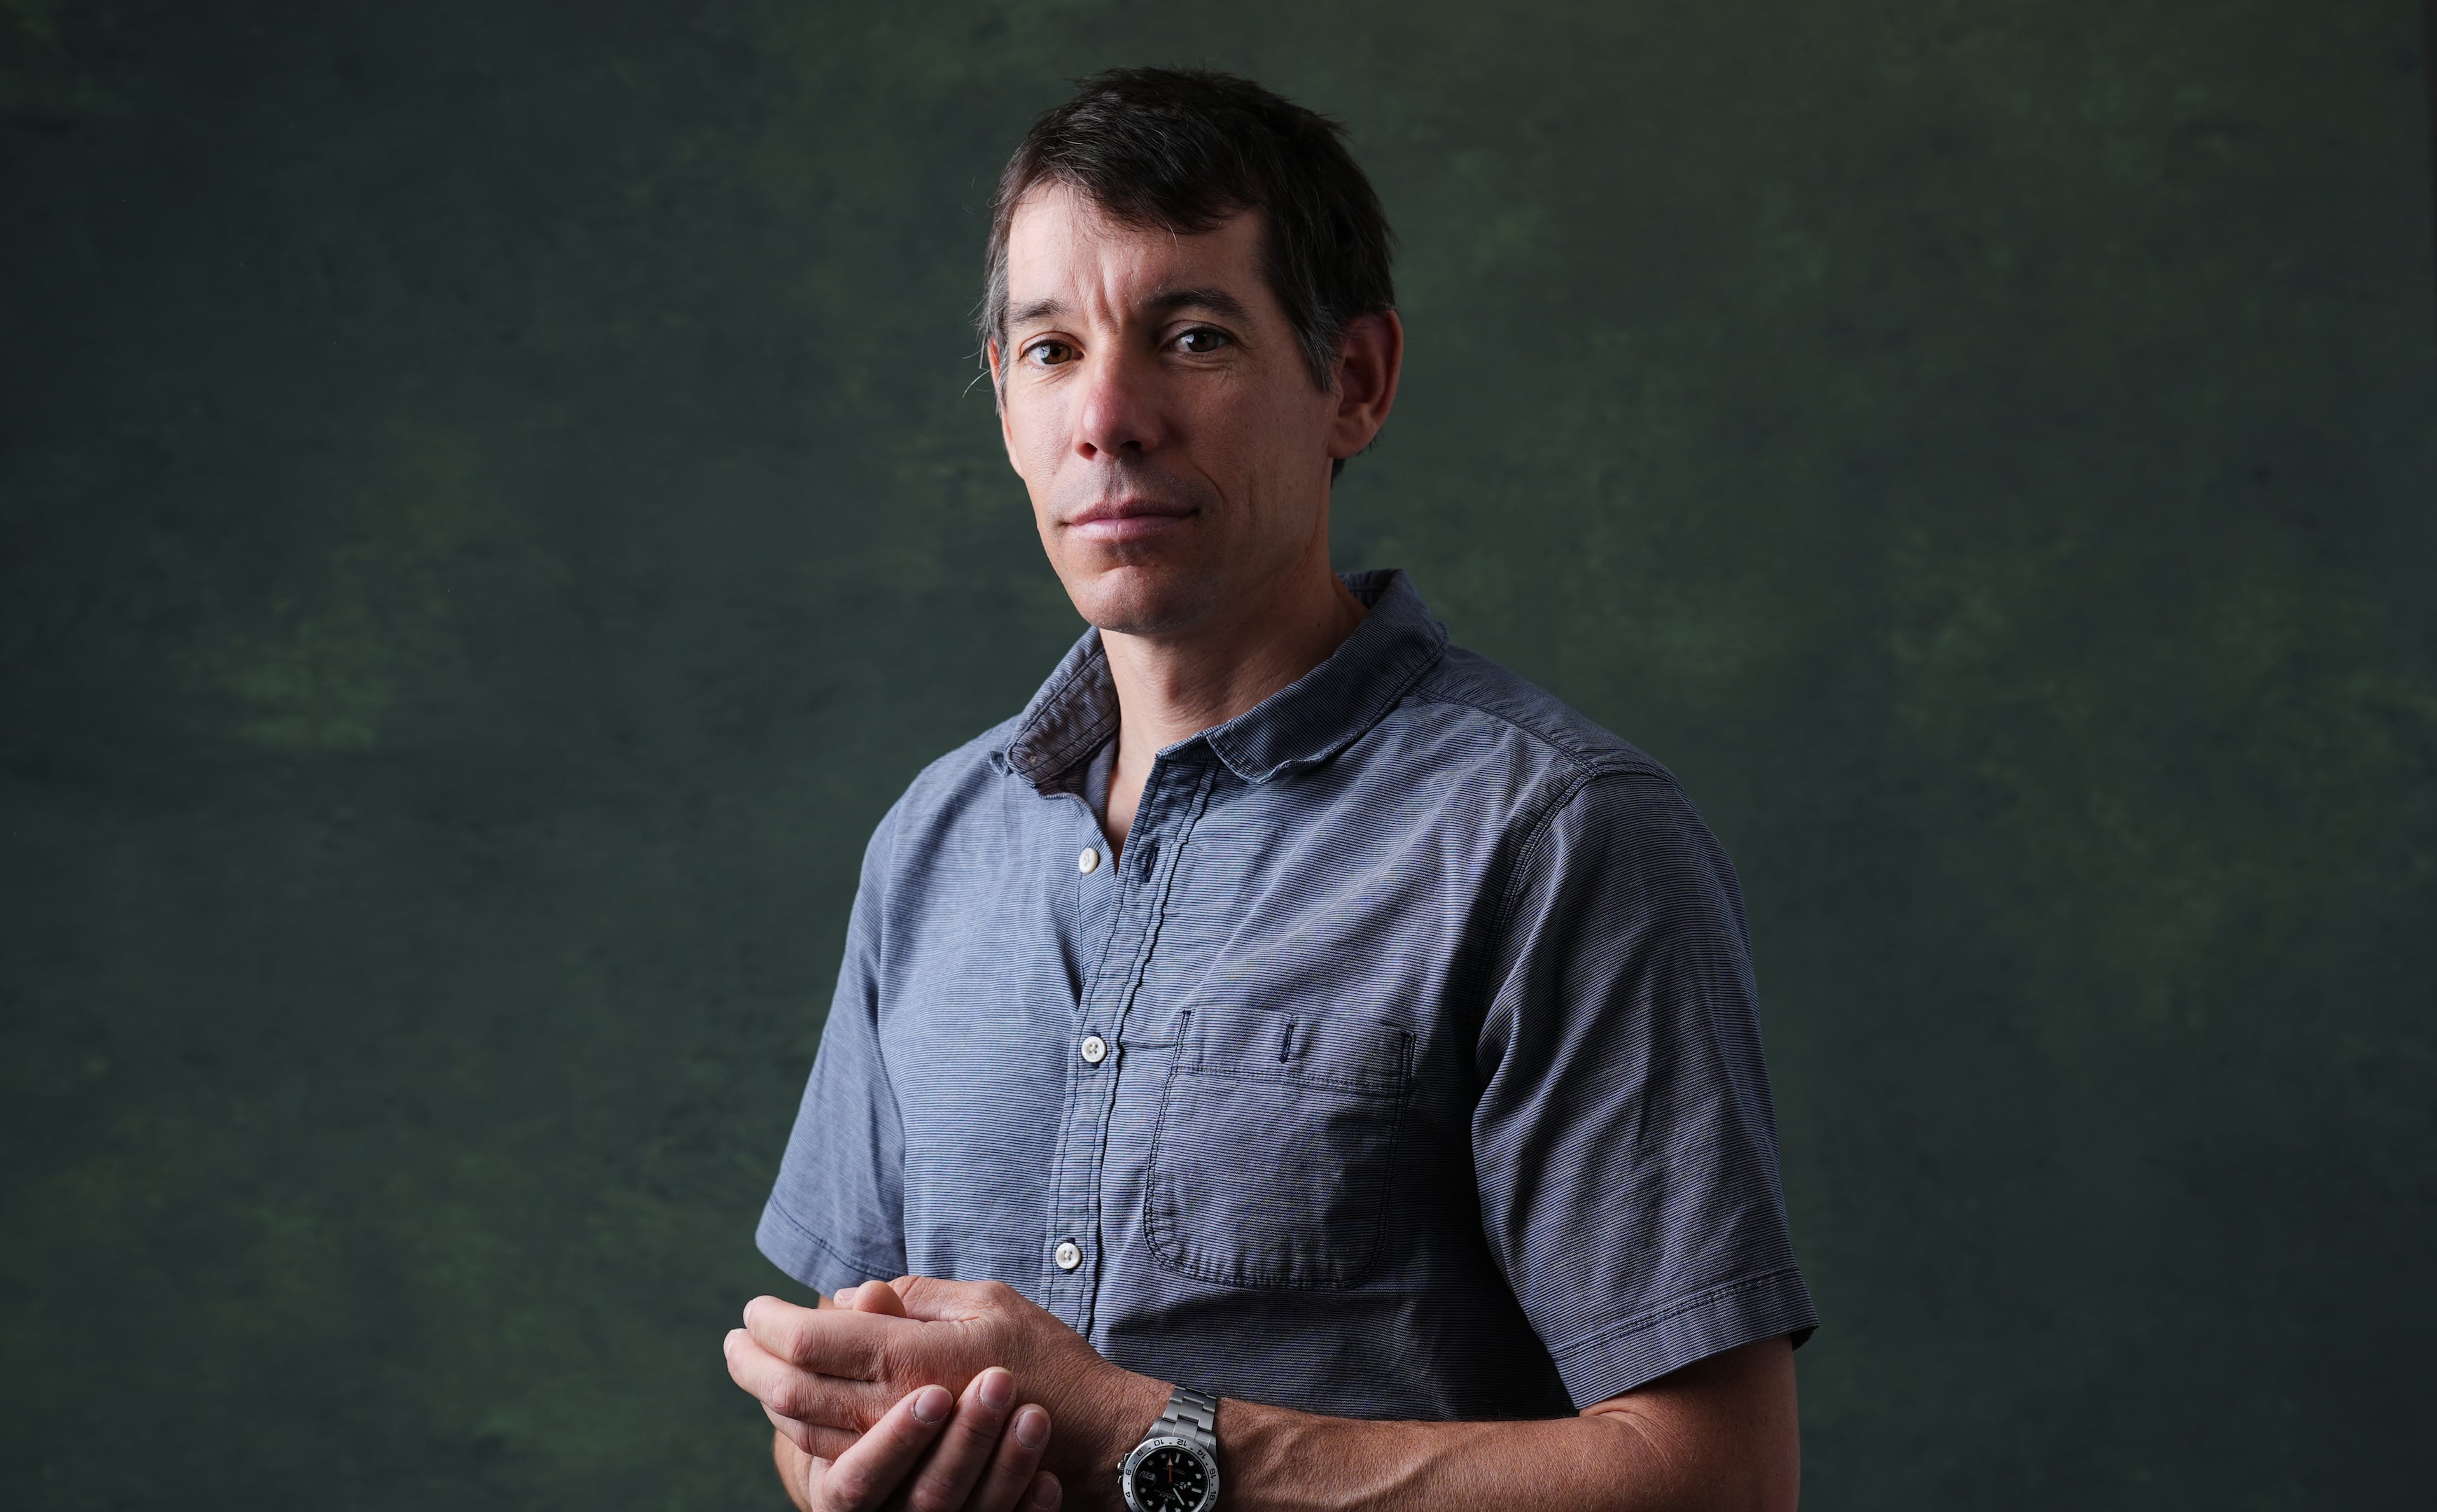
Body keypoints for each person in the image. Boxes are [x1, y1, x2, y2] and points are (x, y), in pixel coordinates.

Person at [723, 67, 1816, 1512]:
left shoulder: (1557, 841)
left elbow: (1719, 1484)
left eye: (1191, 335)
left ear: (1352, 382)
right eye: (1052, 351)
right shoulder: (935, 843)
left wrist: (1135, 1431)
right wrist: (848, 1467)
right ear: (1003, 404)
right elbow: (839, 1418)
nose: (1109, 415)